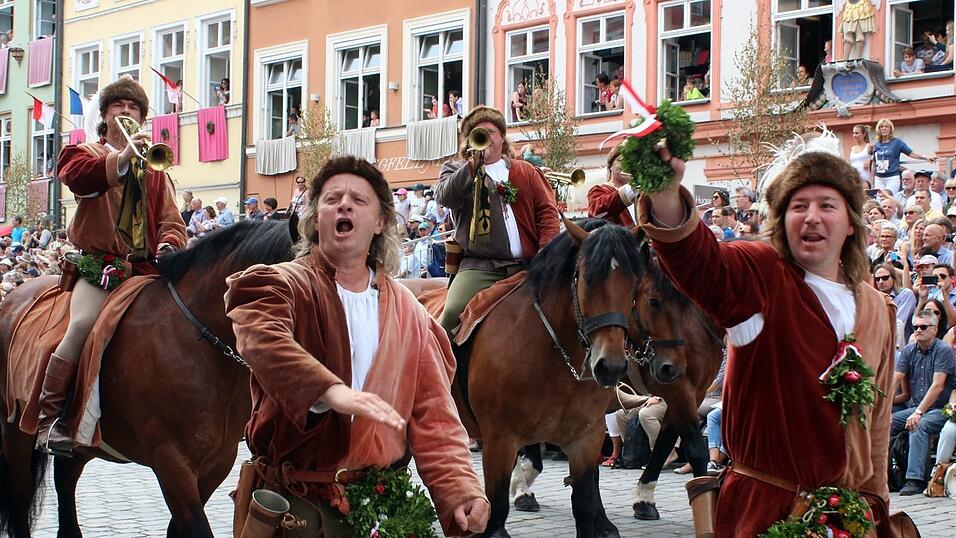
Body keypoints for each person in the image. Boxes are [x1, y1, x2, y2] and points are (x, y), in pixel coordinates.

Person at [638, 133, 896, 534]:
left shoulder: (878, 308)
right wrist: (667, 193)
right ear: (782, 220)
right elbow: (700, 264)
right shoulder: (760, 275)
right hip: (765, 512)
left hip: (848, 516)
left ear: (850, 224)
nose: (812, 216)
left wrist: (876, 503)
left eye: (827, 205)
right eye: (798, 206)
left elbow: (877, 422)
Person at [224, 156, 489, 536]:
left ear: (381, 222)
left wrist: (461, 492)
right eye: (332, 199)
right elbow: (263, 339)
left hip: (384, 505)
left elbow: (435, 416)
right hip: (298, 507)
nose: (344, 204)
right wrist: (327, 390)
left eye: (358, 200)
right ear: (316, 219)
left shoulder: (410, 313)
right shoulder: (282, 284)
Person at [36, 76, 188, 456]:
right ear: (105, 116)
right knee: (82, 325)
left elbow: (172, 221)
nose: (126, 112)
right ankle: (49, 418)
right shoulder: (83, 152)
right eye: (118, 107)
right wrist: (122, 159)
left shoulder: (156, 170)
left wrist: (170, 245)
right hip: (97, 266)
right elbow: (79, 181)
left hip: (144, 270)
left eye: (133, 108)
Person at [434, 106, 559, 340]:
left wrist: (547, 253)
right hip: (481, 267)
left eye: (490, 131)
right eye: (477, 132)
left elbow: (547, 213)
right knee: (451, 312)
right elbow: (445, 197)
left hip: (528, 264)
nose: (486, 137)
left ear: (502, 137)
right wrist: (472, 166)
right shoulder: (456, 170)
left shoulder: (525, 170)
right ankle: (442, 374)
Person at [891, 309, 955, 495]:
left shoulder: (943, 351)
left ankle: (915, 479)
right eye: (915, 326)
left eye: (923, 327)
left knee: (918, 425)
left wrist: (918, 412)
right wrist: (881, 407)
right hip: (915, 407)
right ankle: (885, 475)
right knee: (888, 423)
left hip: (940, 409)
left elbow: (938, 386)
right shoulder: (909, 350)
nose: (917, 330)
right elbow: (895, 379)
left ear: (934, 329)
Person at [871, 118, 936, 195]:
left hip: (892, 177)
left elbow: (910, 153)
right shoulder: (876, 145)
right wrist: (873, 181)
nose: (884, 128)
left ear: (890, 129)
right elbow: (874, 164)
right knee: (879, 199)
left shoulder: (897, 142)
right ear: (879, 129)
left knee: (890, 197)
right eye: (881, 127)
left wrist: (925, 157)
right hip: (879, 178)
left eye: (886, 126)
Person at [587, 145, 636, 226]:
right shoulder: (598, 190)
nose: (626, 164)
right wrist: (629, 190)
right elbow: (597, 212)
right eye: (620, 160)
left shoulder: (639, 192)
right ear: (610, 167)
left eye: (629, 161)